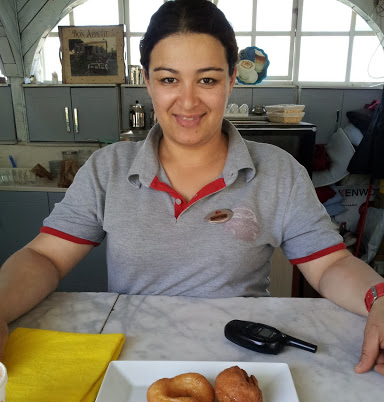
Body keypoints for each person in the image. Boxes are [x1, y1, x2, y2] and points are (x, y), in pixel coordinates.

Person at [0, 0, 383, 376]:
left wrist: (379, 298)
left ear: (232, 79)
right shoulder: (109, 168)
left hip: (245, 367)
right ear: (147, 81)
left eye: (207, 79)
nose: (187, 101)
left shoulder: (278, 171)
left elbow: (331, 264)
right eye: (169, 79)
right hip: (133, 369)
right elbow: (45, 257)